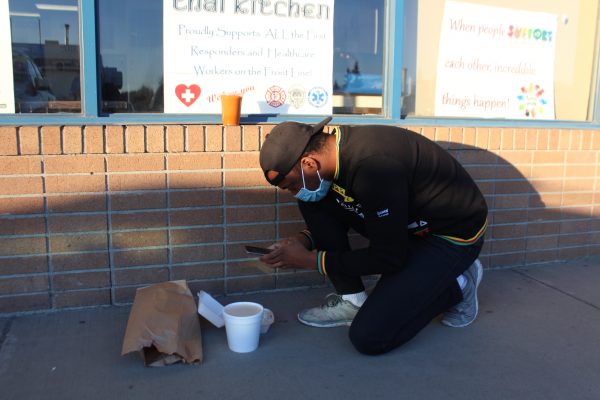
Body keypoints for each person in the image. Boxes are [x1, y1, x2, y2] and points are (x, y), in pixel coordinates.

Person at [258, 117, 488, 355]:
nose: (294, 192)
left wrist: (309, 260)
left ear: (309, 164)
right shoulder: (332, 154)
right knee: (313, 201)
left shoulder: (375, 168)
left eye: (292, 186)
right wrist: (304, 241)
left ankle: (460, 283)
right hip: (405, 226)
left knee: (370, 337)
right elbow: (343, 212)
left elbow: (389, 257)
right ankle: (352, 300)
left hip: (449, 237)